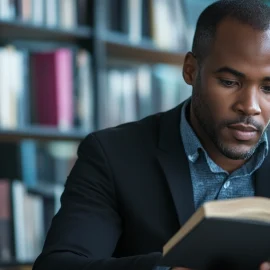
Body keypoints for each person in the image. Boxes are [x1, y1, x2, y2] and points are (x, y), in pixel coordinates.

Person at [33, 0, 270, 269]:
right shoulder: (112, 155)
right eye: (229, 82)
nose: (250, 105)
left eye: (268, 88)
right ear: (191, 70)